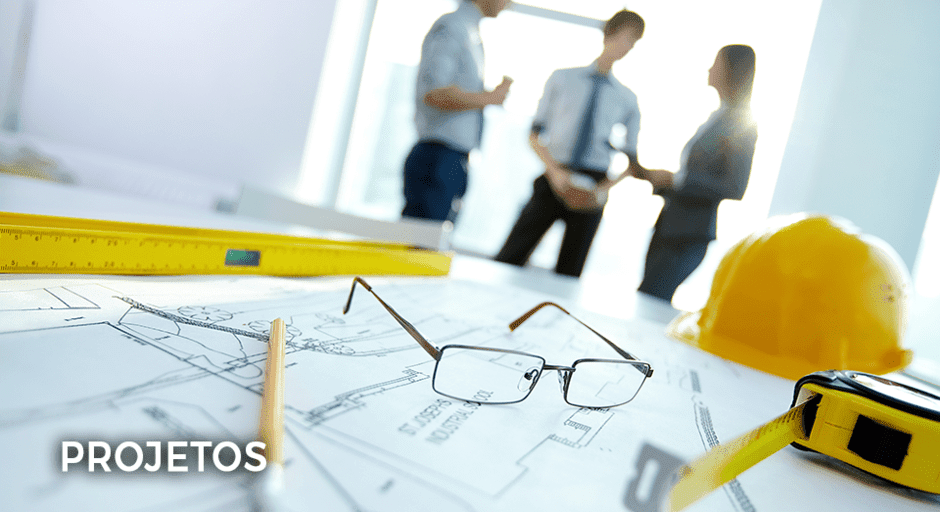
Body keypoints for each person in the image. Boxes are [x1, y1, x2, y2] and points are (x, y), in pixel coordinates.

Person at [493, 10, 647, 278]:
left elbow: (632, 160)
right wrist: (555, 174)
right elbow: (534, 134)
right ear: (609, 33)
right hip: (554, 175)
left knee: (570, 273)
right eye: (627, 38)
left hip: (593, 187)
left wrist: (601, 191)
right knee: (510, 256)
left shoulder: (628, 99)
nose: (628, 47)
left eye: (634, 43)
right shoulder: (562, 79)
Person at [635, 44, 758, 302]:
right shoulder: (718, 117)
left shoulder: (741, 123)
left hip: (688, 234)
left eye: (716, 63)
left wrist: (677, 180)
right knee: (646, 297)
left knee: (651, 300)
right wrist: (661, 180)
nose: (710, 69)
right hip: (670, 225)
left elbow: (735, 187)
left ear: (731, 70)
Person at [402, 0, 513, 223]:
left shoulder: (469, 31)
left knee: (434, 238)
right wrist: (488, 99)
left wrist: (487, 97)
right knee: (421, 239)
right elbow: (435, 93)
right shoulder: (452, 27)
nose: (509, 3)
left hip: (452, 159)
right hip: (438, 158)